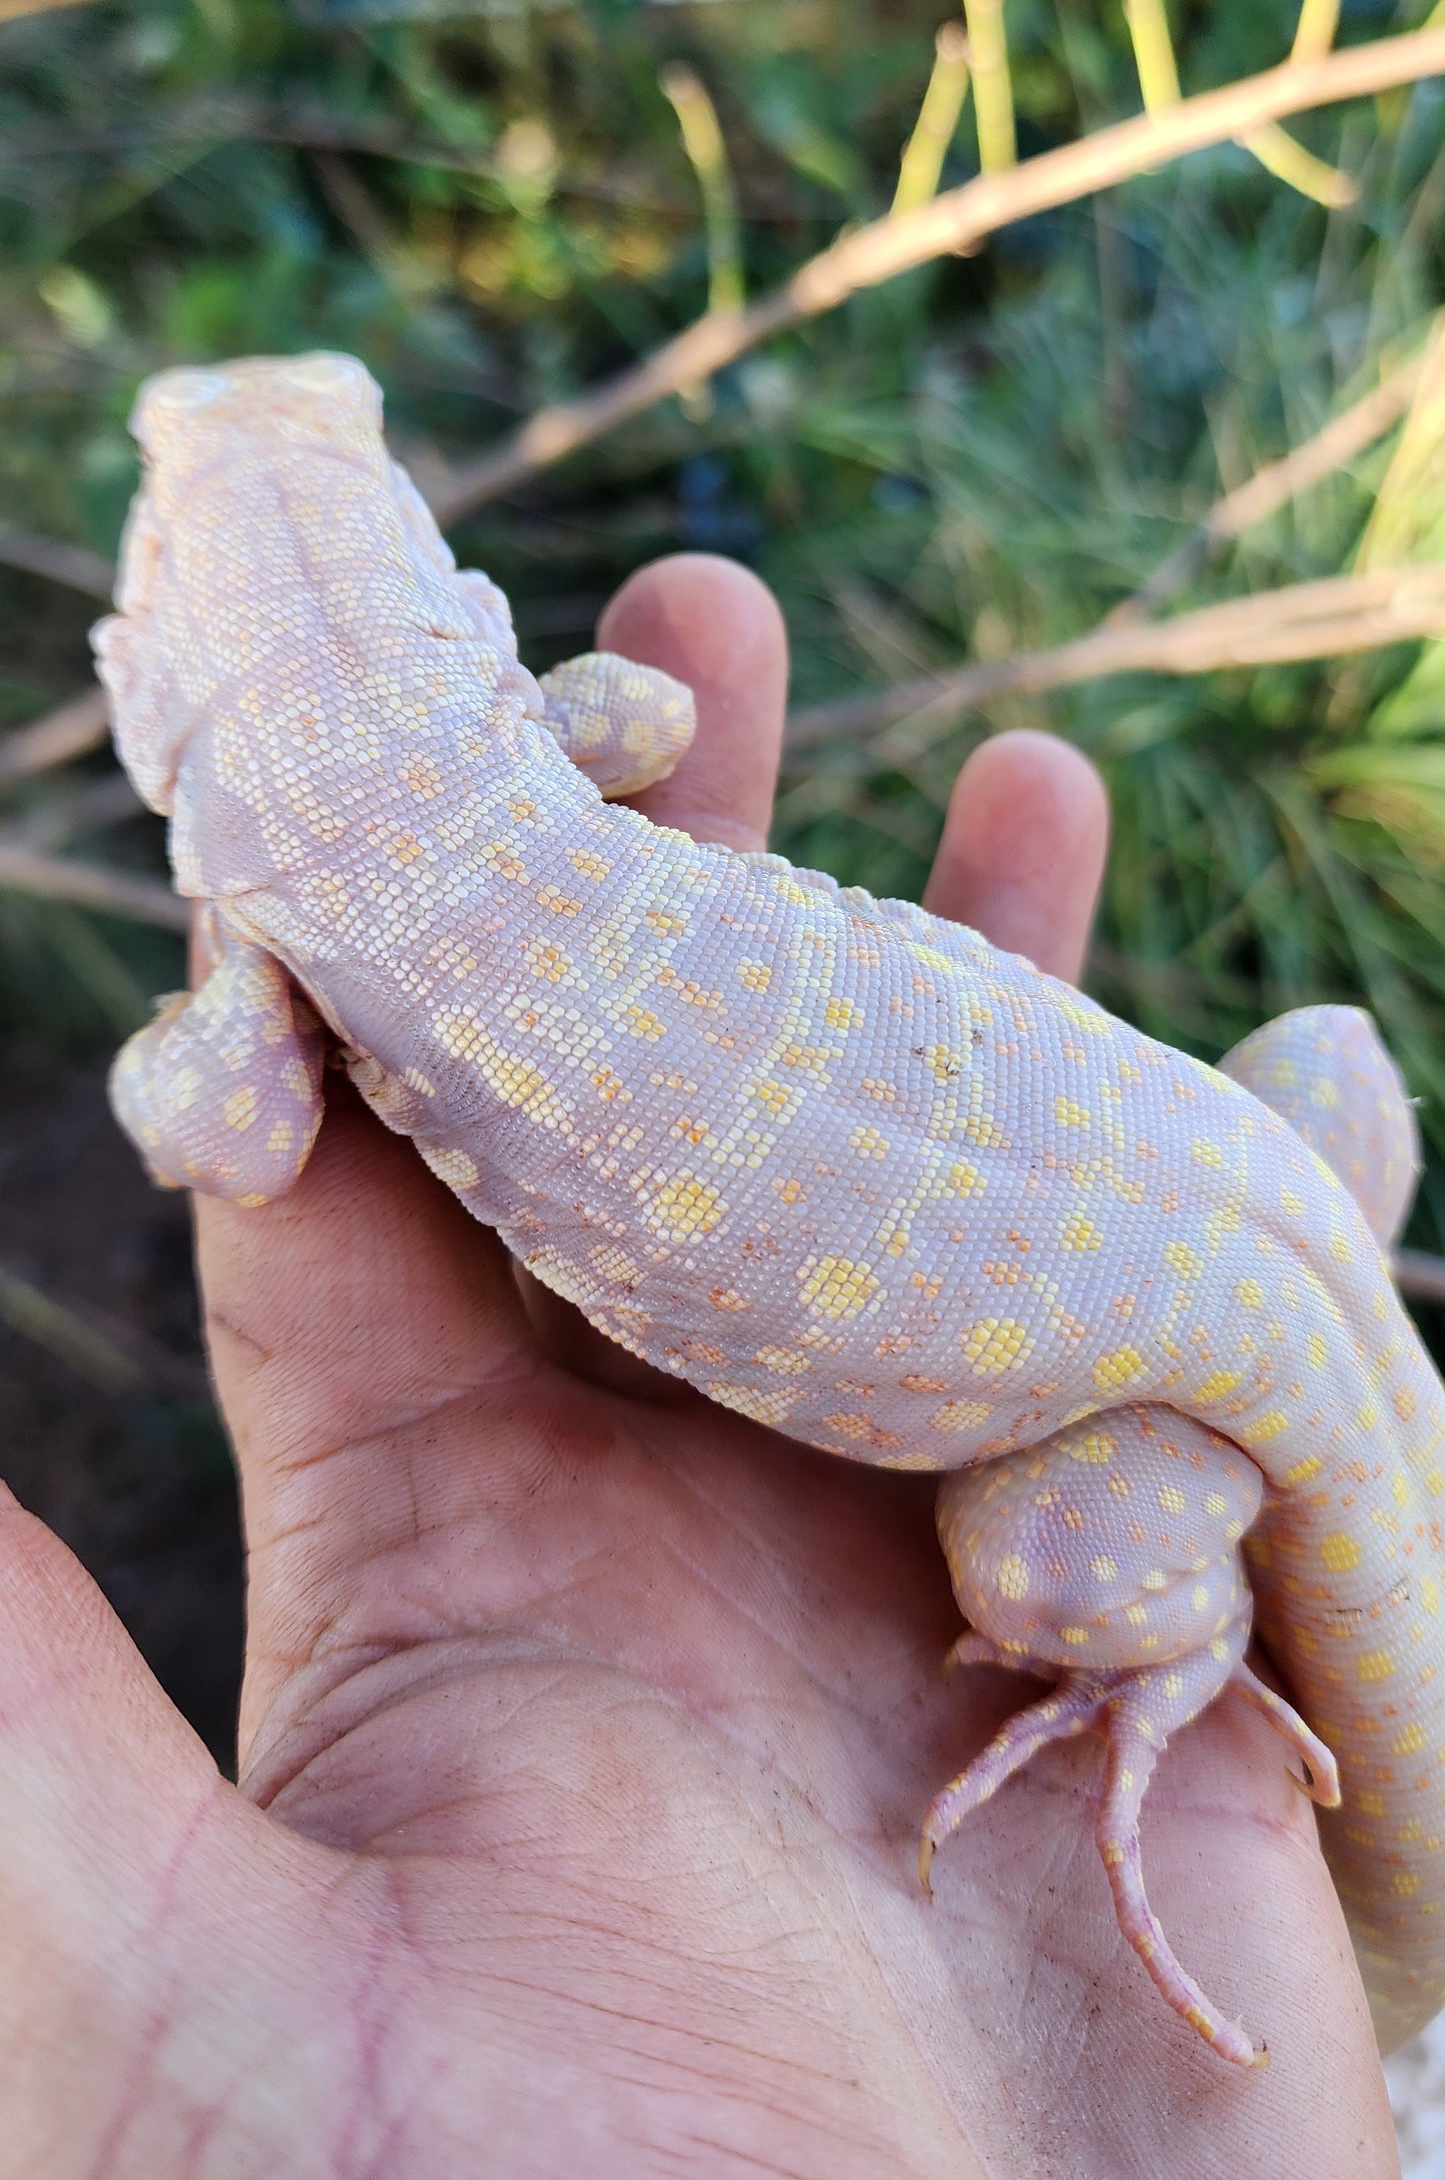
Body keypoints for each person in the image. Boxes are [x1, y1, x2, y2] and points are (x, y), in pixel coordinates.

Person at [0, 556, 1398, 2175]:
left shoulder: (278, 927)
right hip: (1260, 1212)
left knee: (1035, 1570)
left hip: (1181, 1384)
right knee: (1324, 1060)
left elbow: (213, 1129)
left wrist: (227, 966)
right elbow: (650, 708)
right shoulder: (543, 740)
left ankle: (1183, 1631)